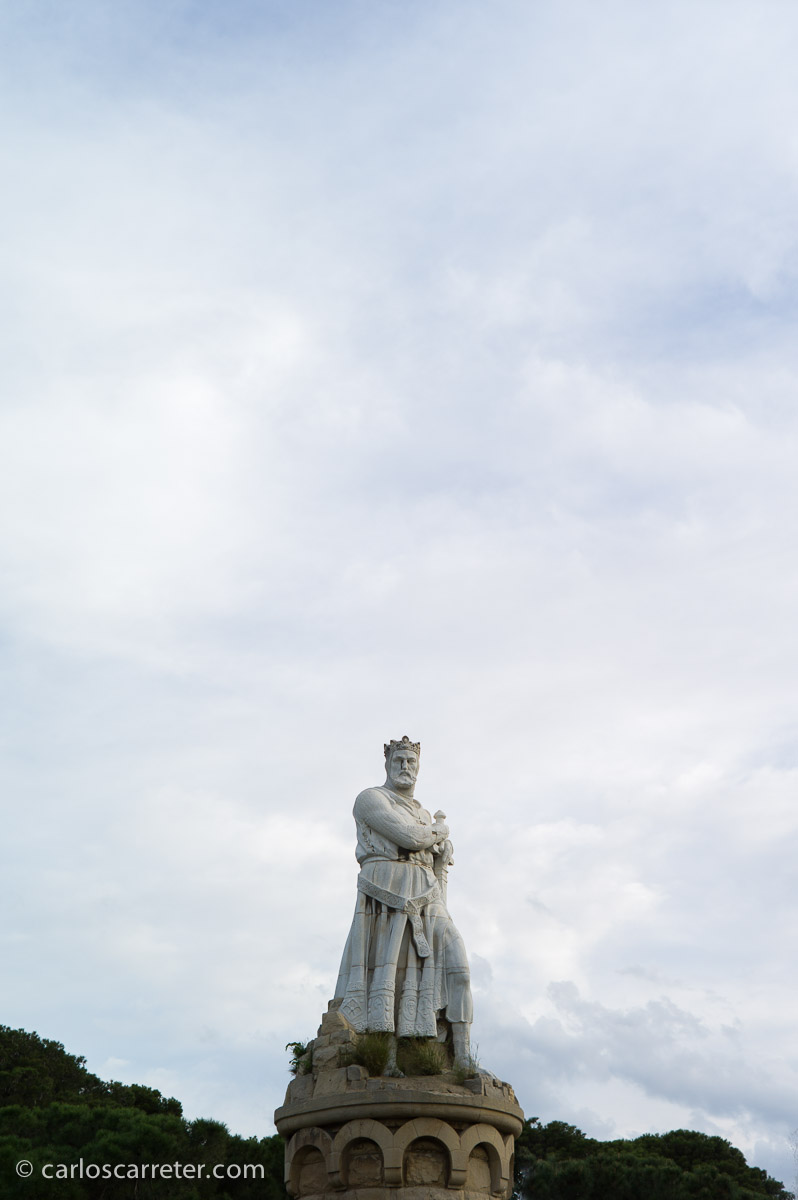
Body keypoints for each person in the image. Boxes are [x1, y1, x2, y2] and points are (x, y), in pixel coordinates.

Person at [334, 736, 475, 1072]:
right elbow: (410, 838)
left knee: (459, 965)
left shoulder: (423, 813)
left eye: (411, 762)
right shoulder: (371, 799)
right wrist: (440, 831)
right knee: (390, 980)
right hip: (385, 896)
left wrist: (440, 858)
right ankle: (386, 1056)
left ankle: (463, 1057)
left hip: (426, 896)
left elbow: (431, 863)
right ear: (387, 764)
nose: (404, 767)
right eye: (398, 760)